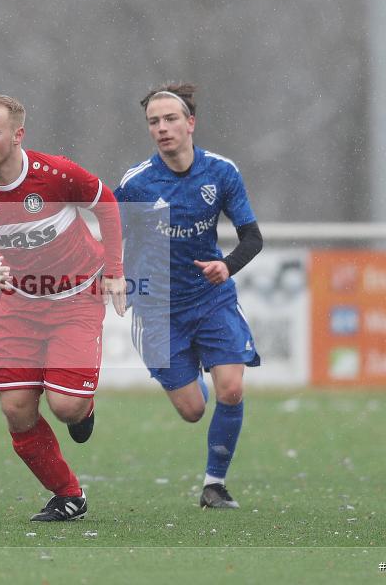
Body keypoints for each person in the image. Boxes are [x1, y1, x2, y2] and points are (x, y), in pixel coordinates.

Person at [0, 94, 126, 522]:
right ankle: (68, 495)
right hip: (19, 307)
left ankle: (82, 406)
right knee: (16, 410)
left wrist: (116, 270)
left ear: (17, 135)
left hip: (76, 299)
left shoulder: (57, 174)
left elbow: (107, 204)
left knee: (66, 408)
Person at [114, 82, 263, 509]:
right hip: (158, 310)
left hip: (211, 298)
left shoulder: (221, 172)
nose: (162, 128)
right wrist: (116, 276)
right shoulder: (137, 184)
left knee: (231, 389)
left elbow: (252, 236)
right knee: (193, 409)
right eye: (153, 122)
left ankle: (214, 485)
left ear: (190, 123)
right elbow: (111, 236)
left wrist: (227, 265)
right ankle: (189, 369)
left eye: (170, 119)